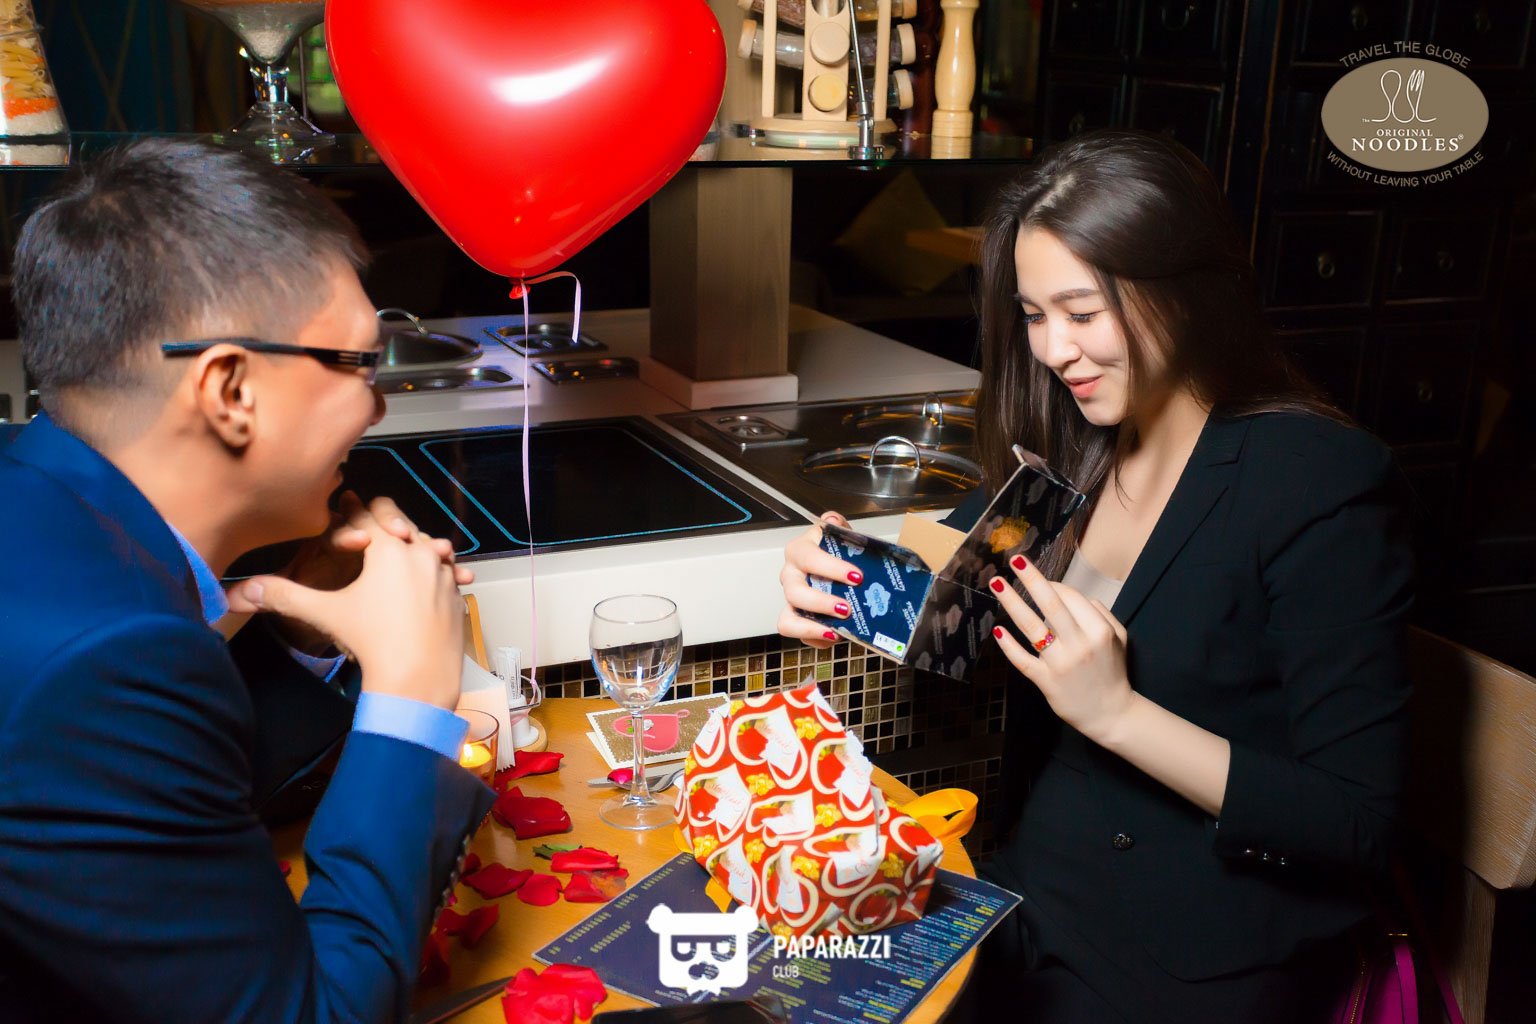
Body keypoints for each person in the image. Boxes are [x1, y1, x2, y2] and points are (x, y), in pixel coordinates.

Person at [776, 130, 1415, 1022]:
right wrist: (844, 578)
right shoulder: (1078, 445)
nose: (1052, 349)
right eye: (1035, 316)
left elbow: (1357, 824)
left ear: (1183, 290)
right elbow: (955, 580)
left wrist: (1117, 713)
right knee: (778, 981)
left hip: (1194, 961)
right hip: (1028, 896)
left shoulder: (1315, 480)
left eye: (1082, 312)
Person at [0, 139, 495, 1022]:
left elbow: (150, 818)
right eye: (359, 364)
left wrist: (299, 634)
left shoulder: (40, 495)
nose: (379, 404)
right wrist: (412, 696)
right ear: (230, 390)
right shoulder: (103, 662)